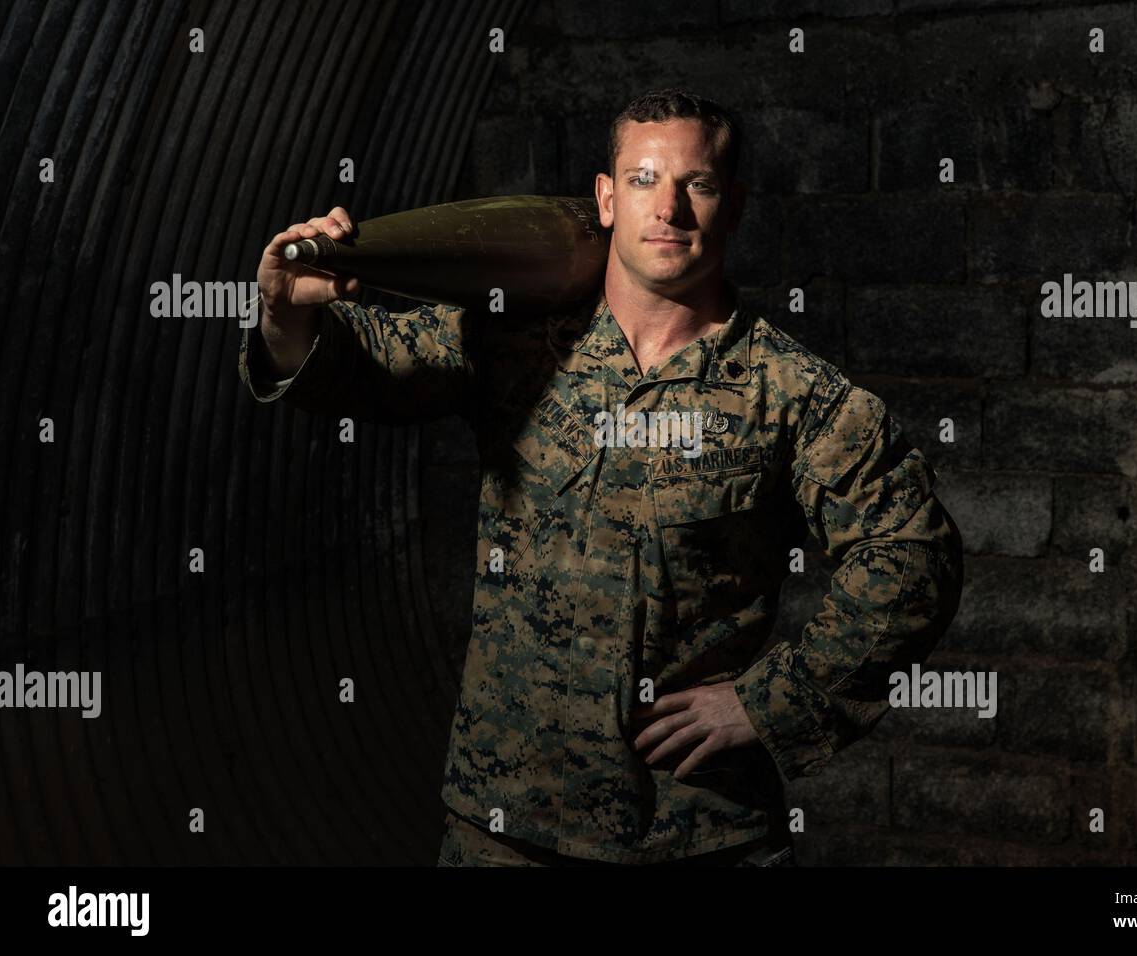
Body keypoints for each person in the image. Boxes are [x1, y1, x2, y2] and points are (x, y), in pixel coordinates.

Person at [238, 88, 964, 866]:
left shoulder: (791, 393)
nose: (672, 209)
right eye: (646, 180)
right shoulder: (511, 339)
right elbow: (355, 369)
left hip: (695, 832)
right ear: (606, 199)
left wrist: (771, 702)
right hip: (504, 825)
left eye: (700, 184)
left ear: (735, 203)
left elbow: (912, 555)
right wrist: (286, 310)